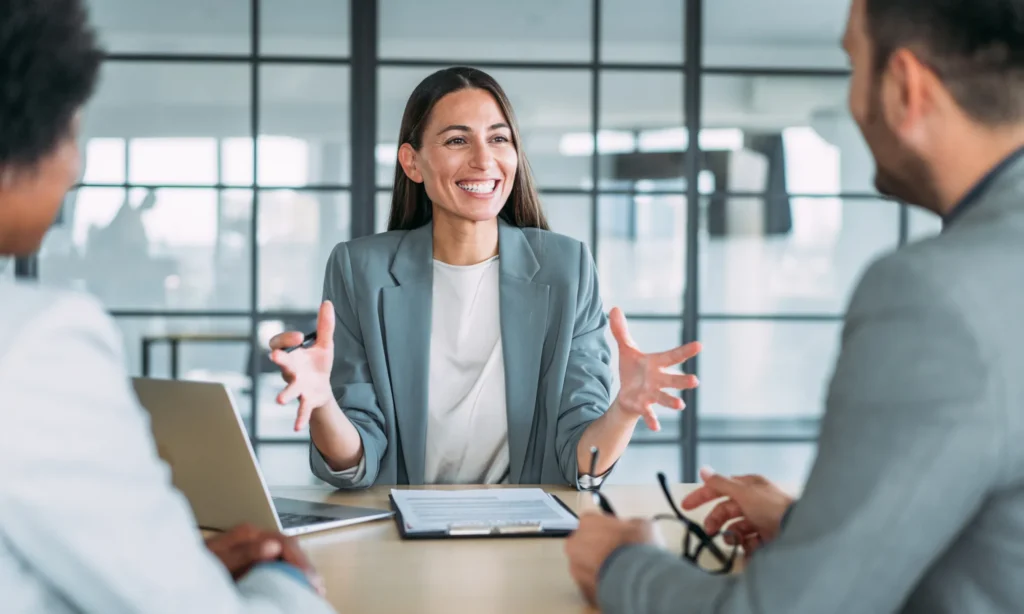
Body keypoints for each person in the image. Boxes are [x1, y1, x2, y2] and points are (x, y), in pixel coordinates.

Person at [565, 0, 1024, 612]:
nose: (852, 104)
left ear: (906, 88)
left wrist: (620, 565)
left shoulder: (936, 294)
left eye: (853, 66)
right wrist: (817, 529)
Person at [0, 1, 335, 612]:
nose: (73, 171)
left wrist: (177, 564)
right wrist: (283, 583)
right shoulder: (34, 343)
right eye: (73, 132)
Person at [269, 66, 701, 488]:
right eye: (457, 140)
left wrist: (622, 411)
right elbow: (356, 463)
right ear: (412, 162)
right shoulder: (359, 268)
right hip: (400, 530)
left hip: (526, 533)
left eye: (498, 138)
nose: (483, 159)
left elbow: (579, 462)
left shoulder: (567, 268)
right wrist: (324, 402)